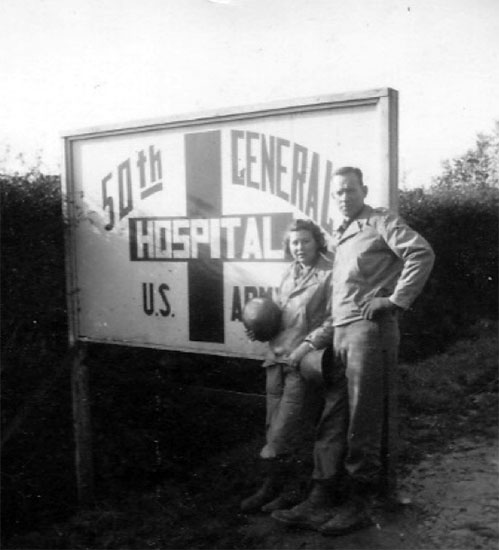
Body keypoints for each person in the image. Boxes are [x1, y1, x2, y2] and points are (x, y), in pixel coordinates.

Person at [272, 166, 435, 535]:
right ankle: (322, 496)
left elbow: (421, 254)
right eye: (338, 193)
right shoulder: (343, 235)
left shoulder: (380, 221)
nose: (344, 197)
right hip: (341, 335)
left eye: (350, 190)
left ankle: (362, 502)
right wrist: (318, 340)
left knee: (364, 418)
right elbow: (339, 298)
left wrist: (394, 300)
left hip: (369, 333)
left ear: (363, 190)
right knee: (334, 416)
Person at [240, 218, 349, 516]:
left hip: (302, 363)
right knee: (271, 426)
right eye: (294, 242)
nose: (299, 247)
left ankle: (291, 491)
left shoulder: (330, 274)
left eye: (305, 241)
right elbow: (275, 314)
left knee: (287, 429)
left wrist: (306, 347)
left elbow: (334, 320)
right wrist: (258, 329)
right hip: (275, 358)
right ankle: (274, 486)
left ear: (317, 242)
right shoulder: (288, 273)